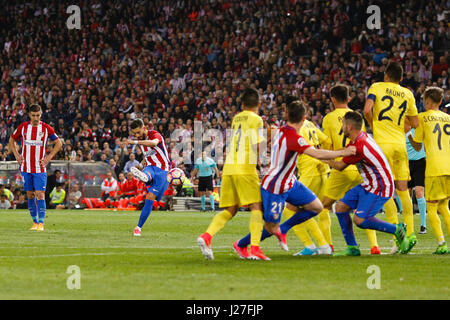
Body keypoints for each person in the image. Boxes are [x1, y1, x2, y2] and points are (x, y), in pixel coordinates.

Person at [233, 100, 356, 260]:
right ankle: (241, 244)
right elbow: (317, 154)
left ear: (286, 115)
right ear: (304, 118)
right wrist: (345, 152)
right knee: (270, 227)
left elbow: (270, 137)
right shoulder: (294, 138)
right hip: (275, 186)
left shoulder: (281, 130)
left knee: (316, 207)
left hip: (290, 182)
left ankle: (283, 229)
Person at [324, 111, 409, 256]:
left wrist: (319, 156)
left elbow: (339, 166)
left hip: (380, 185)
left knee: (360, 220)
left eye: (343, 124)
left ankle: (396, 229)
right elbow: (344, 153)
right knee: (340, 207)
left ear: (349, 127)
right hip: (370, 183)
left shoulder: (359, 146)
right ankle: (353, 248)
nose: (342, 127)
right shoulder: (361, 138)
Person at [197, 88, 266, 260]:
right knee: (257, 206)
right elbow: (258, 145)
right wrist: (270, 138)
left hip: (230, 166)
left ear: (242, 105)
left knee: (232, 209)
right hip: (244, 167)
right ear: (259, 104)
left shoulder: (237, 118)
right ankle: (255, 249)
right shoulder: (257, 119)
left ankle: (207, 236)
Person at [364, 61, 419, 254]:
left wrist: (374, 125)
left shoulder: (377, 87)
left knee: (385, 189)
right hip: (400, 145)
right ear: (401, 78)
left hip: (383, 146)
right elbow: (415, 122)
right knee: (403, 189)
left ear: (386, 76)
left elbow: (367, 109)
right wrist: (403, 127)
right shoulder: (408, 93)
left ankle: (398, 235)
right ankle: (411, 232)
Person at [319, 84, 380, 254]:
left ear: (332, 99)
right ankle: (374, 246)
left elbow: (328, 145)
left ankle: (328, 246)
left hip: (341, 168)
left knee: (324, 206)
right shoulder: (356, 116)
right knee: (363, 209)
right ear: (348, 98)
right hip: (360, 168)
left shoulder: (329, 118)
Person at [408, 87, 450, 254]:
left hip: (434, 168)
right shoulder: (448, 118)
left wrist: (409, 135)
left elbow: (417, 147)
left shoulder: (422, 118)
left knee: (431, 208)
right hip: (448, 167)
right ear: (440, 102)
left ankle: (441, 244)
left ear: (426, 101)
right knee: (444, 206)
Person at [9, 104, 63, 231]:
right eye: (33, 115)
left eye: (38, 115)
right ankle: (34, 222)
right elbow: (12, 139)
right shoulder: (23, 128)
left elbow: (59, 143)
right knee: (30, 195)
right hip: (26, 167)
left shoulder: (46, 128)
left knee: (40, 194)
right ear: (29, 115)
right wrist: (17, 155)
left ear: (41, 114)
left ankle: (41, 223)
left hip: (40, 168)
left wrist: (49, 158)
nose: (36, 118)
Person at [124, 118, 171, 236]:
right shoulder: (141, 140)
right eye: (135, 134)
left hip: (162, 170)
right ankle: (138, 228)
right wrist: (142, 162)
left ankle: (145, 177)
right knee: (148, 193)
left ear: (145, 128)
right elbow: (149, 154)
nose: (137, 135)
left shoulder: (155, 134)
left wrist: (135, 142)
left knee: (152, 198)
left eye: (138, 132)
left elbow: (154, 143)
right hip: (150, 167)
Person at [404, 122, 427, 234]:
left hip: (419, 163)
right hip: (405, 163)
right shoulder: (399, 131)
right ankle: (408, 223)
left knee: (419, 192)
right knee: (406, 194)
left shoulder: (419, 129)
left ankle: (423, 225)